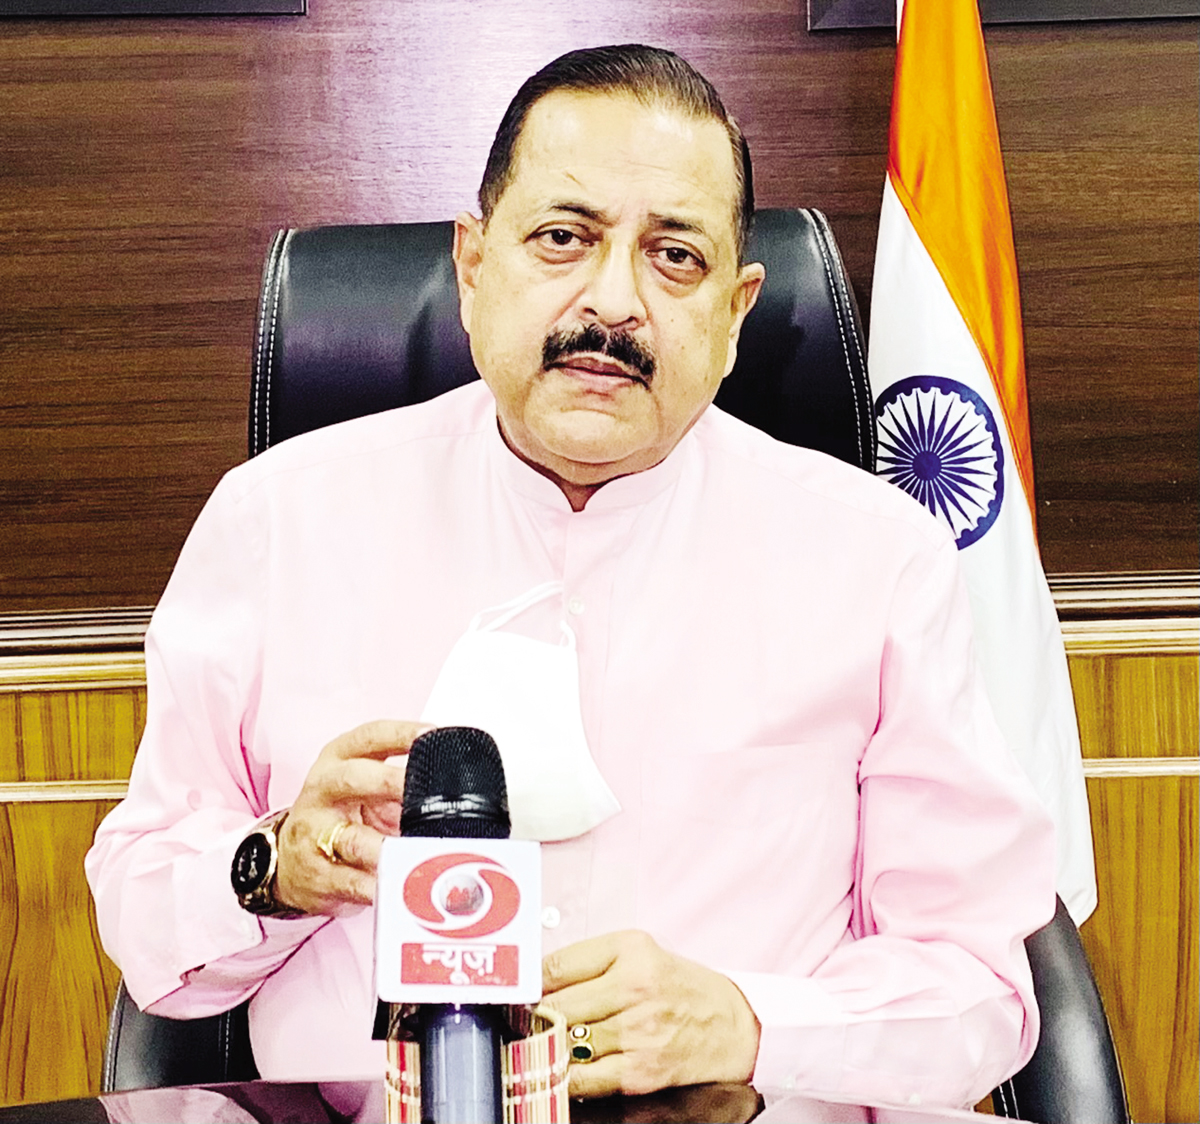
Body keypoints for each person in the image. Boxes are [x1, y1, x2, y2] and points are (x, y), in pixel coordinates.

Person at [86, 44, 1056, 1109]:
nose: (614, 299)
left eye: (675, 257)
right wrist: (271, 865)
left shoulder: (878, 558)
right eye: (563, 237)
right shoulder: (278, 519)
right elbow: (144, 914)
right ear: (472, 265)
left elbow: (979, 985)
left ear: (736, 314)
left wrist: (747, 1018)